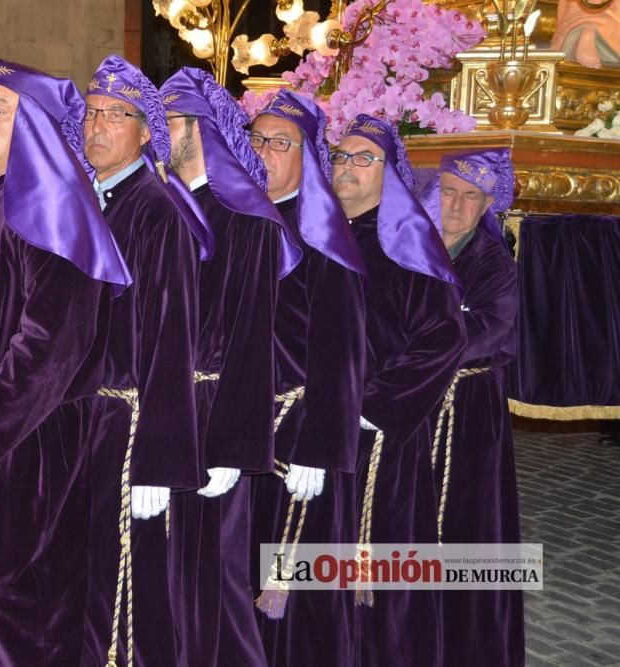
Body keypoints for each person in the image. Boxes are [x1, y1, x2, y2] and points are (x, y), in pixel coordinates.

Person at [0, 59, 131, 666]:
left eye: (0, 109)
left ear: (40, 130)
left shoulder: (52, 207)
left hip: (33, 446)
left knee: (19, 610)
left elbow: (52, 344)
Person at [160, 66, 302, 667]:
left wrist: (230, 446)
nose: (153, 132)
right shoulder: (165, 201)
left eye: (164, 121)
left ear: (195, 128)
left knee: (214, 574)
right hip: (165, 409)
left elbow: (251, 336)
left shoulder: (244, 215)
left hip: (213, 413)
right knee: (168, 570)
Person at [79, 54, 215, 667]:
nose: (97, 126)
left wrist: (159, 462)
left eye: (116, 115)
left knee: (128, 587)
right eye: (91, 112)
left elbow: (173, 339)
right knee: (85, 575)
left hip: (130, 429)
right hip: (81, 422)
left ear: (144, 132)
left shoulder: (160, 213)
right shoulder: (86, 200)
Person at [332, 113, 466, 666]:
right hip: (318, 423)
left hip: (378, 431)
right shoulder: (319, 230)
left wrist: (376, 406)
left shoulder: (409, 238)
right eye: (341, 156)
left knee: (379, 566)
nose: (347, 168)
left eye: (364, 158)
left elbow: (444, 336)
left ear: (392, 172)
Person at [246, 89, 367, 666]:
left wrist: (321, 445)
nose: (264, 151)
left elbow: (342, 350)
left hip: (299, 436)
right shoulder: (237, 215)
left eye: (280, 142)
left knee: (298, 591)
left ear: (307, 155)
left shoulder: (325, 234)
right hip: (240, 426)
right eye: (256, 138)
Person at [421, 148, 525, 666]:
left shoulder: (492, 262)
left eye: (470, 197)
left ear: (486, 205)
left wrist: (419, 345)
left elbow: (491, 330)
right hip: (413, 406)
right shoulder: (407, 247)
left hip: (467, 409)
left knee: (465, 524)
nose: (456, 206)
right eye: (448, 191)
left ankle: (465, 643)